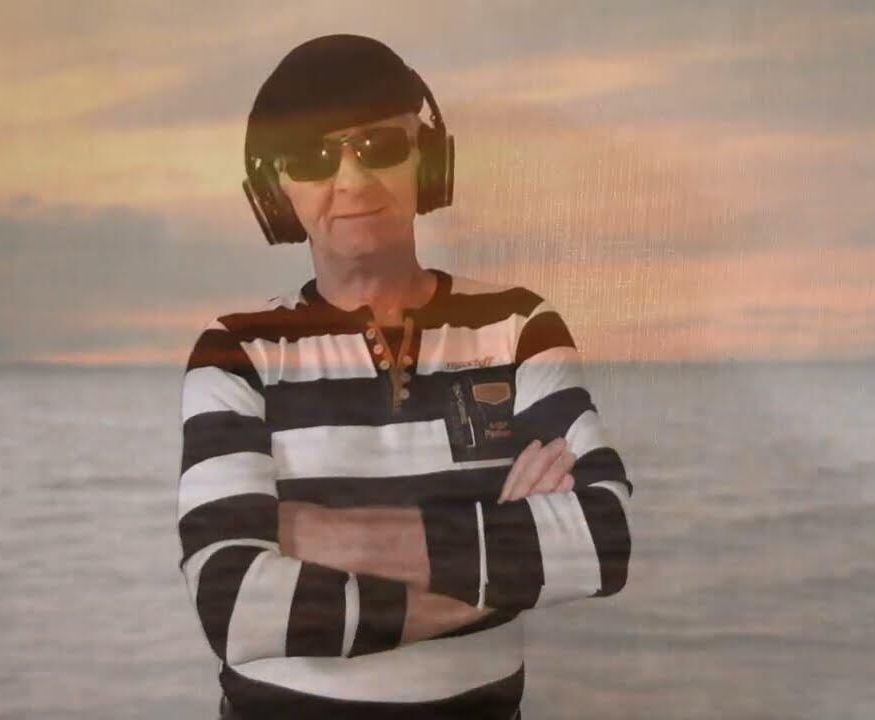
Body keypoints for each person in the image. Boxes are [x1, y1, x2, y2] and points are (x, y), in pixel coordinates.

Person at [176, 34, 634, 720]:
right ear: (277, 190)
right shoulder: (235, 351)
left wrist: (324, 535)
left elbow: (601, 541)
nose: (352, 180)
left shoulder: (519, 325)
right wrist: (500, 569)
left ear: (429, 159)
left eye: (379, 146)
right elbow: (233, 605)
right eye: (312, 157)